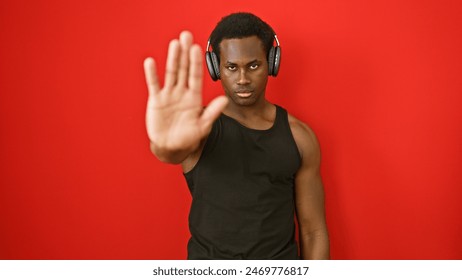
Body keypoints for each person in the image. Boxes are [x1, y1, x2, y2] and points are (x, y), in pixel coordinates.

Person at [143, 12, 329, 260]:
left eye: (253, 65)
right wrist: (162, 145)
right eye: (231, 67)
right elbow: (171, 151)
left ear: (272, 62)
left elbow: (313, 231)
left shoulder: (299, 136)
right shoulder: (198, 127)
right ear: (215, 68)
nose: (242, 79)